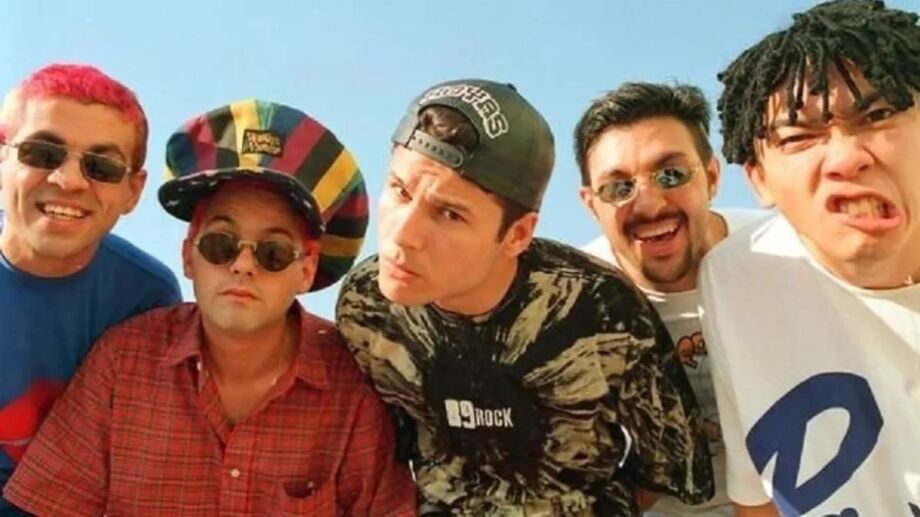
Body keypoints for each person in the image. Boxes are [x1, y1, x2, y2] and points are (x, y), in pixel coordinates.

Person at [4, 100, 416, 515]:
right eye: (221, 244)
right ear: (188, 255)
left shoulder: (353, 387)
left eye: (272, 253)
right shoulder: (121, 362)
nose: (243, 265)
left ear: (306, 270)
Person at [336, 79, 713, 515]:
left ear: (517, 235)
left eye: (449, 213)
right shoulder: (367, 307)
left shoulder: (601, 311)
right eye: (400, 190)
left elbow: (672, 467)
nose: (403, 235)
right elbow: (383, 453)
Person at [700, 0, 920, 515]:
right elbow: (757, 498)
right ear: (758, 179)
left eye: (877, 116)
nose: (846, 158)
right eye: (799, 138)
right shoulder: (737, 279)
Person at [574, 82, 767, 516]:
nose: (649, 204)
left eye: (672, 175)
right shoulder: (569, 303)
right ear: (590, 205)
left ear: (712, 177)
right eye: (618, 187)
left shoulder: (786, 255)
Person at [0, 63, 180, 514]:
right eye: (43, 153)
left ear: (133, 191)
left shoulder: (146, 298)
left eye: (102, 166)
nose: (69, 180)